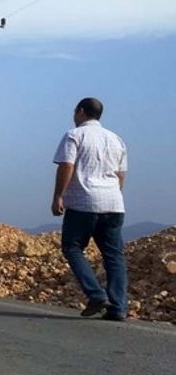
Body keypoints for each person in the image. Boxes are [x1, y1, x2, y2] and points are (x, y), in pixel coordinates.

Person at [52, 97, 128, 321]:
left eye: (75, 111)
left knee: (72, 247)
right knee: (114, 255)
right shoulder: (116, 139)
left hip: (83, 203)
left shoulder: (74, 135)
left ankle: (96, 295)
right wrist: (113, 194)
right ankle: (118, 307)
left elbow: (67, 165)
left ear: (81, 112)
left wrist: (58, 196)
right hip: (114, 203)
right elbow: (120, 175)